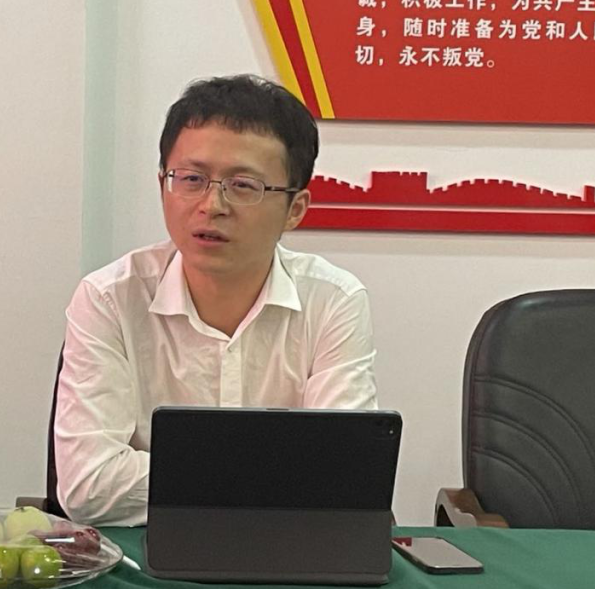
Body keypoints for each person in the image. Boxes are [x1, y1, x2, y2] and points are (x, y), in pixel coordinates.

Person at [55, 74, 377, 526]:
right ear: (163, 184)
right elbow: (88, 486)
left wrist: (185, 478)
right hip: (147, 550)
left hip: (287, 547)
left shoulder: (334, 301)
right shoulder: (109, 299)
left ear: (295, 210)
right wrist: (279, 476)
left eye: (243, 186)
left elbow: (342, 475)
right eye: (191, 179)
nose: (212, 205)